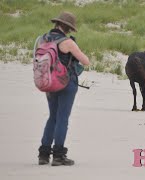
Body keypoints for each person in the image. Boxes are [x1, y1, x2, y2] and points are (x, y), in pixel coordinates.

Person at [37, 12, 90, 166]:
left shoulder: (43, 39)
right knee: (62, 118)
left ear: (57, 24)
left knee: (52, 117)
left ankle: (44, 154)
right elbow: (85, 61)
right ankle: (59, 155)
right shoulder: (67, 42)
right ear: (68, 28)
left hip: (48, 81)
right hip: (66, 83)